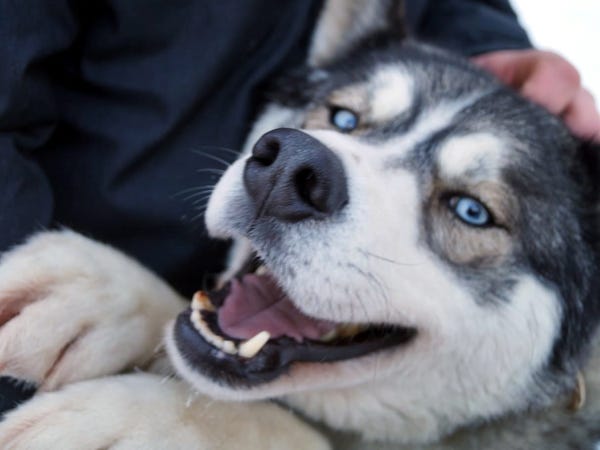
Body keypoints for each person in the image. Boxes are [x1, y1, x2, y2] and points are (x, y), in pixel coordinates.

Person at [0, 0, 598, 416]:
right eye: (342, 120)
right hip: (75, 288)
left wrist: (483, 43)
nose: (296, 167)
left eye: (470, 209)